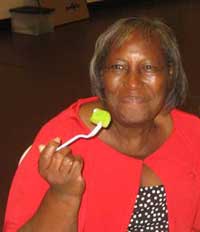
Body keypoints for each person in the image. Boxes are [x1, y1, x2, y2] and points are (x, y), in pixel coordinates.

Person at [3, 17, 200, 232]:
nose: (133, 82)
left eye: (149, 67)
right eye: (118, 67)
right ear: (101, 74)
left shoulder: (192, 135)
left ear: (170, 74)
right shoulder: (63, 140)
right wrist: (62, 195)